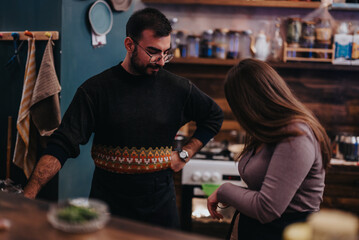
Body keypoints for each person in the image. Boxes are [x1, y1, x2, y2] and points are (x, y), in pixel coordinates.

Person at [24, 7, 223, 229]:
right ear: (129, 45)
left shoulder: (178, 88)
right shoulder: (96, 90)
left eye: (166, 53)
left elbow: (213, 116)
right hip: (108, 208)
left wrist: (186, 153)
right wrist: (28, 195)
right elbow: (62, 144)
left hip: (160, 211)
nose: (161, 60)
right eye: (153, 51)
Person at [207, 58, 331, 240]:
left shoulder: (296, 136)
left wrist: (224, 190)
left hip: (283, 233)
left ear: (249, 104)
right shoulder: (268, 129)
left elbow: (267, 208)